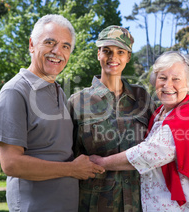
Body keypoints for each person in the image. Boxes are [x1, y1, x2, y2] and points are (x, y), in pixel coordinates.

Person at [0, 14, 104, 212]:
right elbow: (11, 163)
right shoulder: (15, 91)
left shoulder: (58, 91)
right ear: (32, 45)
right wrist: (73, 169)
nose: (57, 51)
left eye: (65, 46)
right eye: (50, 42)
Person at [89, 51, 189, 211]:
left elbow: (151, 153)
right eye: (162, 78)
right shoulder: (159, 112)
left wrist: (102, 163)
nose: (167, 85)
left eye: (176, 79)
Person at [68, 25, 155, 211]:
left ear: (128, 57)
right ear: (98, 54)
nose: (113, 57)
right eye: (106, 51)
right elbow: (68, 159)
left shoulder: (142, 98)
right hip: (94, 205)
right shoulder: (77, 102)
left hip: (139, 203)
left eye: (120, 52)